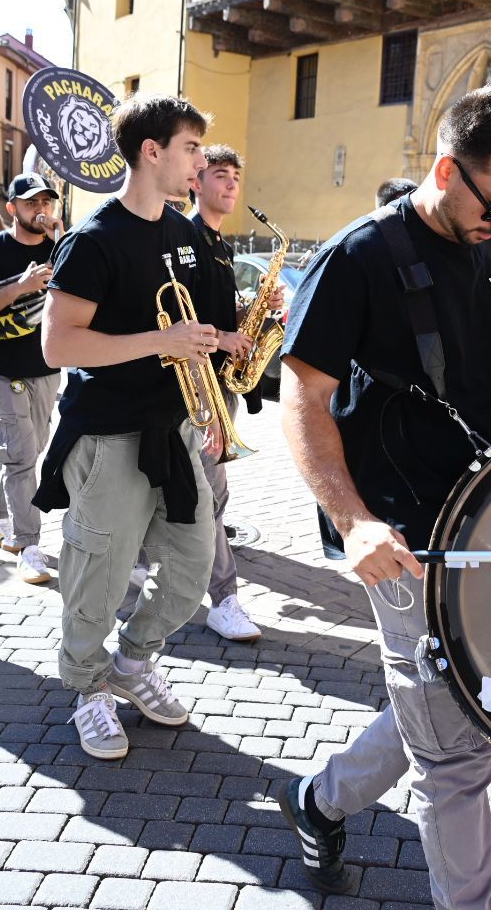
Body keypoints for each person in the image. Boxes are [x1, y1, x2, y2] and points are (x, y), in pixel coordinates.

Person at [277, 84, 491, 908]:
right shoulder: (357, 258)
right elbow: (304, 398)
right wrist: (353, 522)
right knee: (459, 759)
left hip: (489, 522)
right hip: (400, 540)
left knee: (464, 700)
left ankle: (319, 798)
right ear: (445, 169)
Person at [34, 93, 220, 762]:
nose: (200, 162)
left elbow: (192, 333)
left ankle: (133, 663)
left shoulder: (187, 234)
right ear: (153, 151)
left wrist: (242, 338)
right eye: (192, 148)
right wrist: (158, 339)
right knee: (99, 577)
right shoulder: (93, 239)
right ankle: (88, 690)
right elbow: (59, 347)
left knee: (194, 567)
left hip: (173, 431)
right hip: (109, 435)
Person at [186, 144, 282, 642]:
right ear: (195, 181)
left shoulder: (221, 244)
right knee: (211, 496)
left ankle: (139, 562)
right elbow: (174, 311)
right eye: (219, 175)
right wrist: (221, 337)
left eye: (235, 178)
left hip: (219, 385)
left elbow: (218, 307)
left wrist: (254, 308)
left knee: (197, 492)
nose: (230, 186)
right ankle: (224, 599)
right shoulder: (185, 238)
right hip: (195, 385)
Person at [0, 173, 63, 586]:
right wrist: (20, 288)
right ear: (12, 208)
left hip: (47, 368)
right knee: (21, 455)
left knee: (30, 451)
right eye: (30, 203)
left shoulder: (62, 249)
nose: (40, 209)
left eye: (46, 202)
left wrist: (65, 240)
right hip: (3, 369)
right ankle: (28, 546)